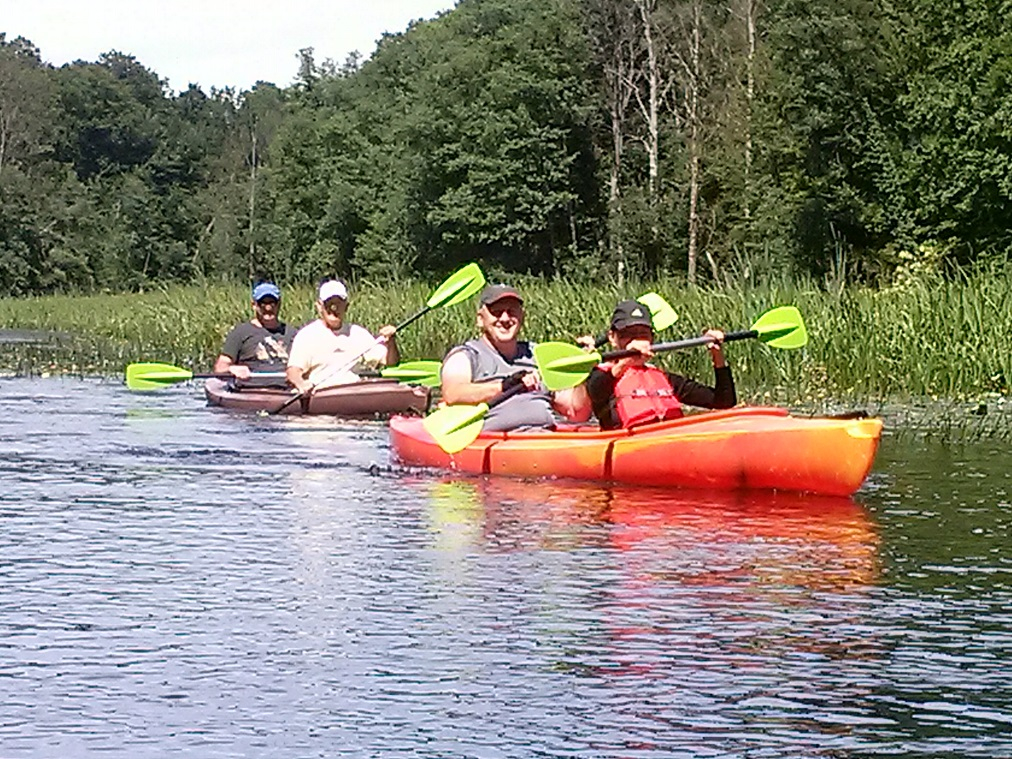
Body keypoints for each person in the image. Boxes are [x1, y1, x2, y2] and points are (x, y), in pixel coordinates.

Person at [440, 284, 591, 431]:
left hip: (542, 438)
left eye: (512, 311)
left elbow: (577, 414)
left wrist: (583, 370)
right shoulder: (466, 356)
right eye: (497, 312)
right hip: (495, 441)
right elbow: (453, 393)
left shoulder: (537, 355)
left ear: (522, 317)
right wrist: (504, 386)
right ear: (480, 319)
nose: (505, 318)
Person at [586, 299, 736, 430]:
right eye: (628, 334)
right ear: (612, 338)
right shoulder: (600, 376)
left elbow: (723, 401)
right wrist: (626, 361)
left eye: (643, 334)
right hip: (627, 450)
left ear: (652, 339)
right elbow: (596, 391)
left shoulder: (664, 379)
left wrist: (717, 355)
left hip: (666, 443)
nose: (637, 340)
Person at [286, 279, 399, 394]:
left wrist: (391, 341)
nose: (334, 308)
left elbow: (390, 362)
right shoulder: (307, 335)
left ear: (346, 306)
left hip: (354, 395)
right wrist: (301, 384)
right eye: (329, 304)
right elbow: (293, 371)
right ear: (319, 306)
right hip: (322, 397)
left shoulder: (358, 334)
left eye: (338, 303)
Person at [213, 280, 296, 385]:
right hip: (251, 391)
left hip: (287, 392)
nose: (268, 308)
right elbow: (220, 367)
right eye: (263, 303)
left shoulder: (293, 334)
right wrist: (232, 369)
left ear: (279, 304)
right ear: (254, 305)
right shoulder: (240, 333)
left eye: (272, 303)